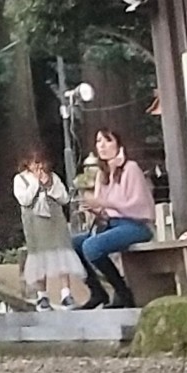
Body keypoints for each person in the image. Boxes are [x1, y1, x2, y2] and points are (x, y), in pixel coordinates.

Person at [73, 127, 155, 308]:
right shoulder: (103, 173)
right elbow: (106, 208)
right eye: (98, 141)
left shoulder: (130, 168)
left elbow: (137, 205)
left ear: (118, 144)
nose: (102, 145)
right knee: (73, 244)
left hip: (135, 225)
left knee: (92, 246)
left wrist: (104, 202)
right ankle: (97, 291)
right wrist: (94, 209)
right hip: (111, 224)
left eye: (107, 140)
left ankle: (122, 291)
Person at [13, 148, 82, 310]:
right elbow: (24, 200)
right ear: (27, 163)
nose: (39, 166)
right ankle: (42, 295)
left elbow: (64, 198)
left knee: (62, 254)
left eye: (42, 162)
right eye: (35, 162)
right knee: (38, 257)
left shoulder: (53, 177)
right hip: (34, 224)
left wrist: (48, 184)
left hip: (55, 221)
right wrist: (36, 183)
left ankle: (66, 293)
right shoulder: (20, 179)